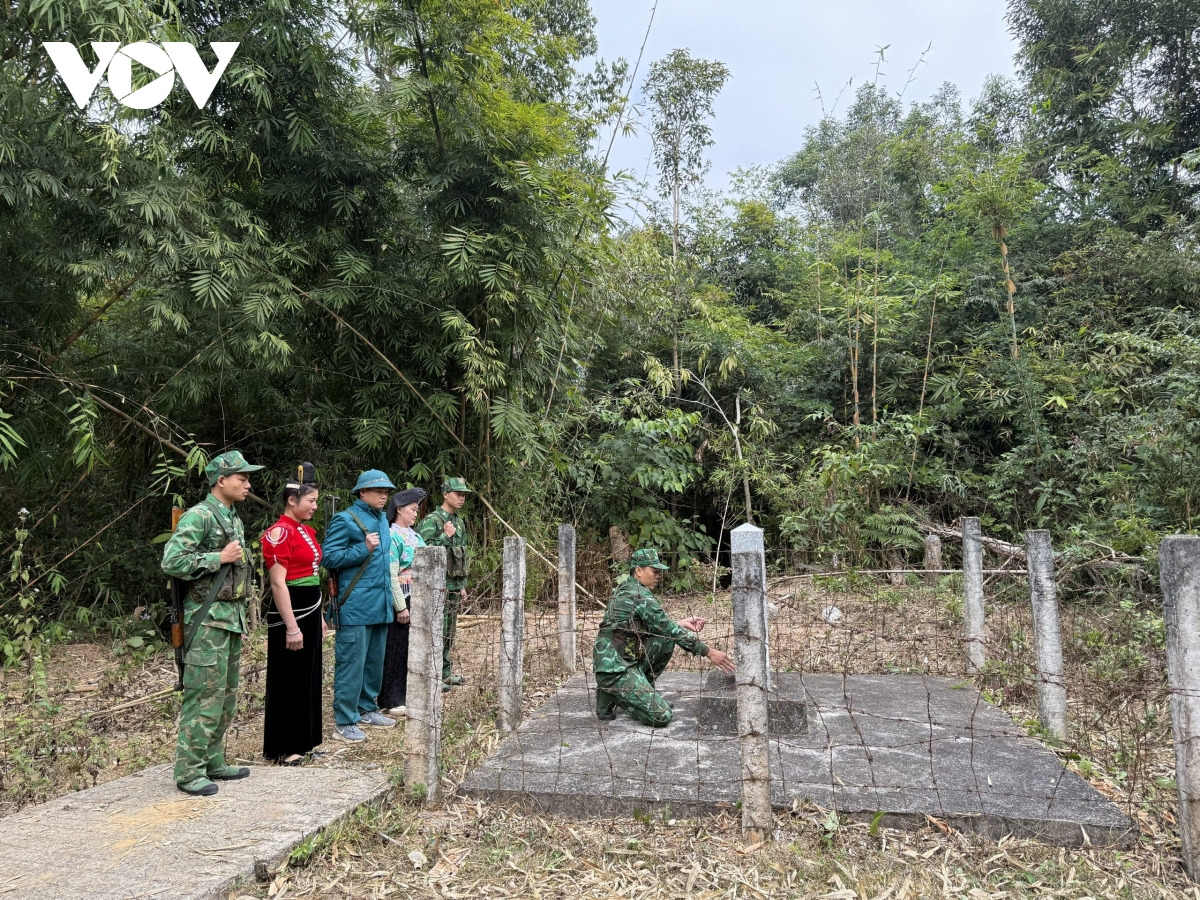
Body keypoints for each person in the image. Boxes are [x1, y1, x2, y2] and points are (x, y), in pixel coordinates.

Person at [161, 450, 264, 796]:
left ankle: (212, 760)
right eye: (242, 478)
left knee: (226, 697)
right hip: (205, 623)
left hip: (229, 620)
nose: (248, 484)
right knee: (203, 696)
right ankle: (189, 772)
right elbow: (172, 560)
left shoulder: (232, 517)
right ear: (221, 481)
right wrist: (216, 557)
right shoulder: (200, 516)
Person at [592, 547, 736, 727]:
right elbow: (667, 628)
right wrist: (708, 652)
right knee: (662, 716)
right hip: (616, 668)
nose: (658, 575)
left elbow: (657, 628)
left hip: (620, 659)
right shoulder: (638, 595)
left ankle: (632, 694)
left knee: (666, 641)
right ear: (638, 571)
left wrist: (680, 624)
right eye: (654, 571)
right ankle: (621, 697)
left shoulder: (626, 587)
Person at [322, 470, 397, 742]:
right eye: (378, 491)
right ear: (361, 493)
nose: (384, 495)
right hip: (354, 605)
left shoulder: (384, 521)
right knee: (351, 664)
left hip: (380, 603)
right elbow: (328, 557)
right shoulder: (346, 519)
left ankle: (366, 708)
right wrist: (362, 549)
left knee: (374, 663)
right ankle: (344, 721)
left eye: (386, 491)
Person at [260, 471, 327, 764]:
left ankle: (306, 739)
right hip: (292, 610)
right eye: (310, 501)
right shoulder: (279, 533)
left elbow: (312, 577)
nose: (314, 506)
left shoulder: (304, 530)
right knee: (289, 676)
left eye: (315, 501)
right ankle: (285, 747)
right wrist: (291, 626)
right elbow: (278, 583)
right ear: (291, 500)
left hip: (310, 608)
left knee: (309, 674)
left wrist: (320, 617)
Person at [417, 478, 472, 690]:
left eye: (464, 494)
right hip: (436, 586)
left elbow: (462, 556)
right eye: (458, 493)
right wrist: (444, 536)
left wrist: (462, 584)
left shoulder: (459, 522)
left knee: (449, 631)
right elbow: (424, 552)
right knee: (436, 631)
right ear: (445, 494)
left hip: (453, 585)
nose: (462, 498)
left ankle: (445, 672)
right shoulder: (432, 521)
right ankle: (434, 674)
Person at [378, 487, 428, 715]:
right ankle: (391, 698)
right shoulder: (391, 535)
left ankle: (409, 693)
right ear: (399, 509)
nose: (415, 513)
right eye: (412, 509)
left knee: (413, 648)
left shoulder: (415, 535)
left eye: (417, 510)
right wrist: (400, 606)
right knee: (396, 648)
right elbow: (391, 573)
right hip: (403, 597)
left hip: (420, 596)